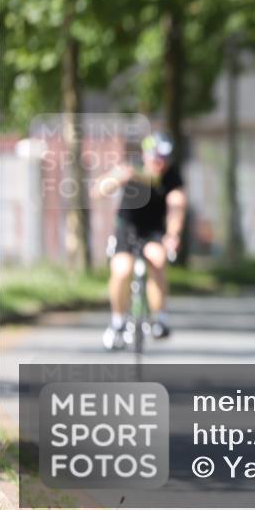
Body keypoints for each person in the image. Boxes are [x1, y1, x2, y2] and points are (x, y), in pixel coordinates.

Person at [97, 132, 186, 350]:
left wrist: (173, 235)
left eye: (165, 158)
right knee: (122, 270)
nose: (161, 162)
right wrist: (118, 178)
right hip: (126, 229)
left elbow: (177, 205)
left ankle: (160, 318)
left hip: (153, 231)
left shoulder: (171, 176)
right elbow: (99, 190)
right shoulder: (131, 167)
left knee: (158, 259)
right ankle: (118, 321)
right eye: (157, 156)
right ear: (146, 154)